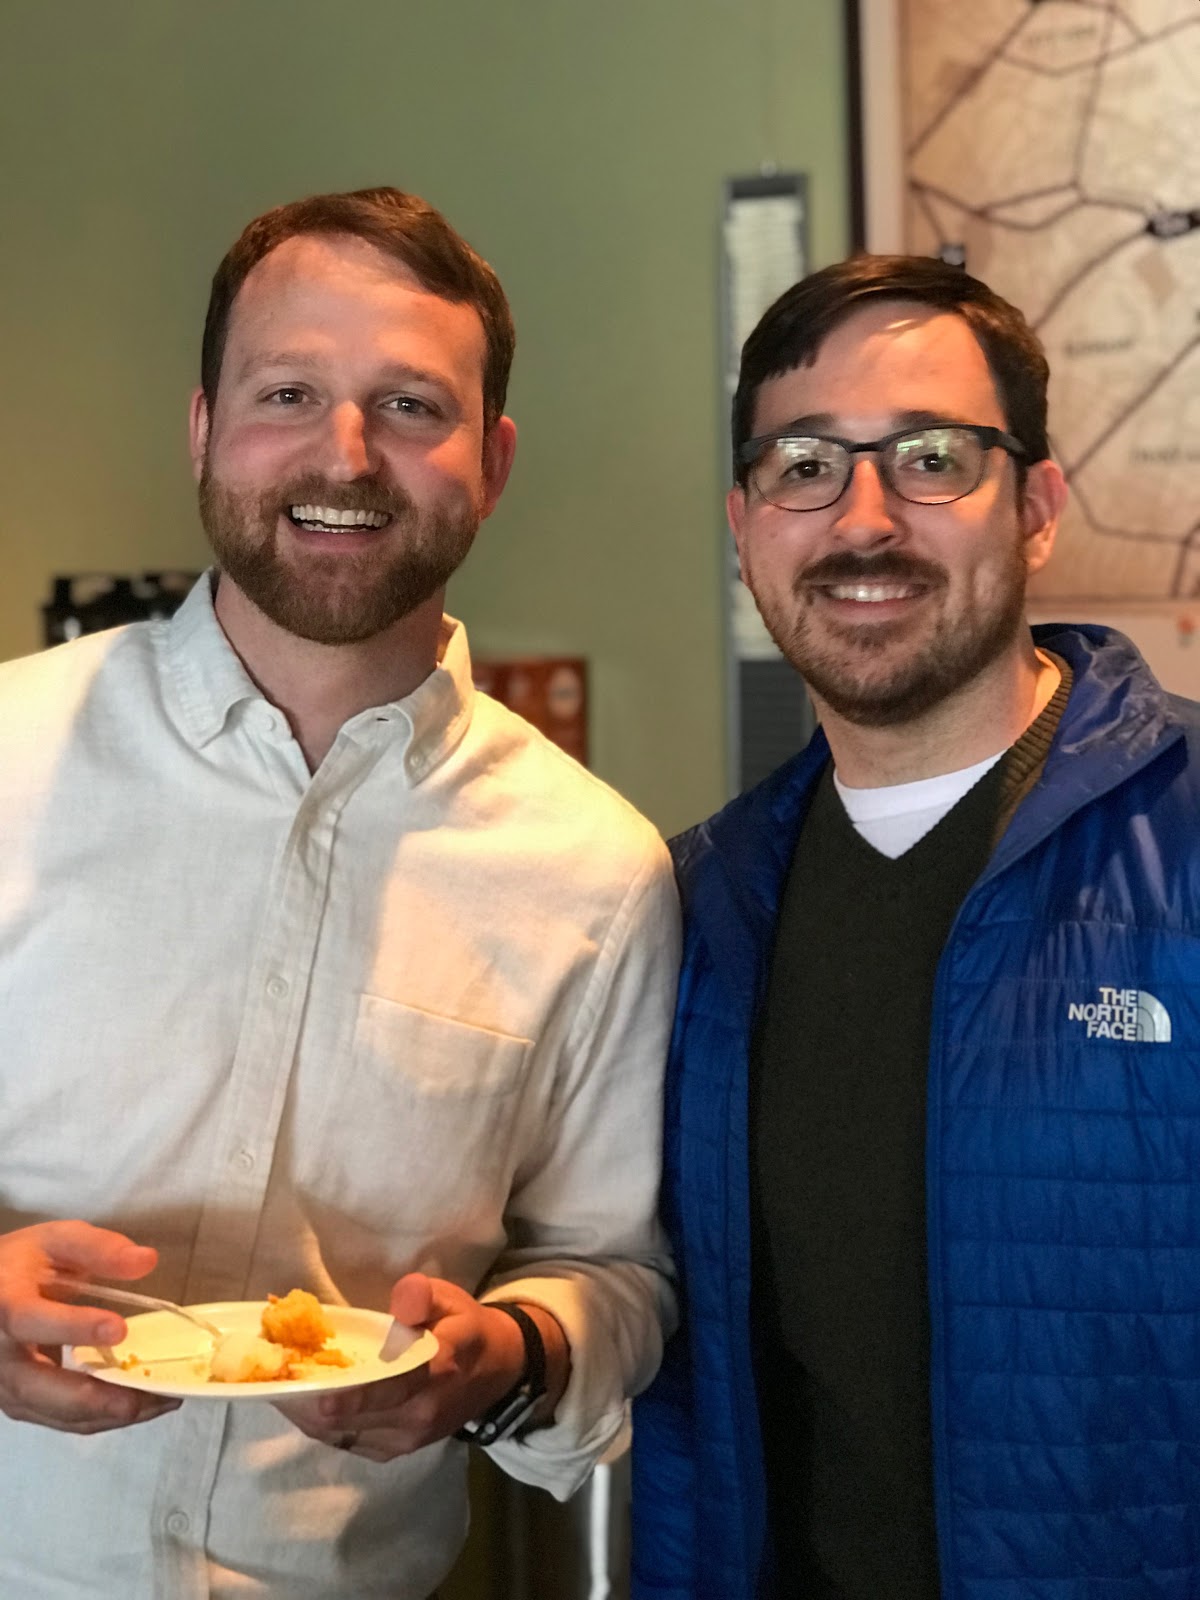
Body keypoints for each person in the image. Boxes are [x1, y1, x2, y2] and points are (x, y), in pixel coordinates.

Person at [0, 185, 680, 1599]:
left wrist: (515, 1353)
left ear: (492, 461)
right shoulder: (9, 755)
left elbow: (609, 1266)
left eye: (411, 407)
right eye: (289, 393)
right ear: (204, 429)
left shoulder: (596, 871)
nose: (347, 453)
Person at [631, 254, 1200, 1598]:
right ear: (745, 525)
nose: (865, 519)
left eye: (932, 459)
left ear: (1038, 508)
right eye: (805, 466)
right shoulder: (698, 903)